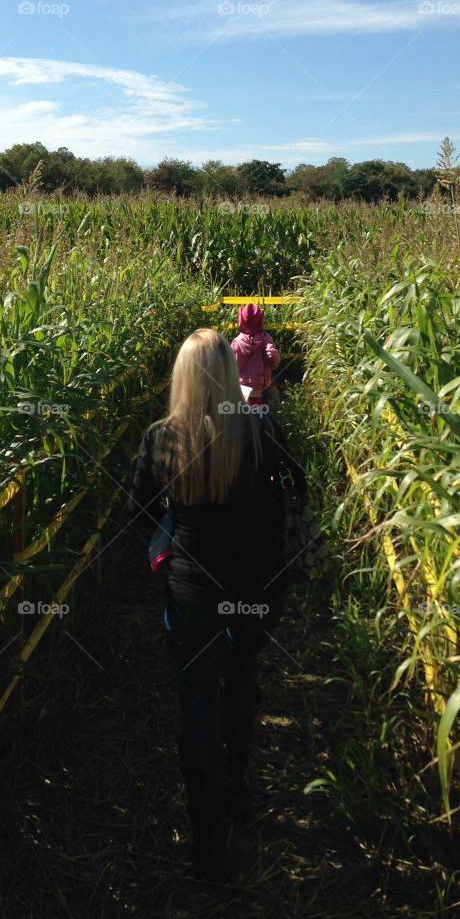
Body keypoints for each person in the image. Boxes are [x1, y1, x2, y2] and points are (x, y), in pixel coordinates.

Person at [126, 328, 306, 884]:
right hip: (254, 592)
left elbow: (137, 516)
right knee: (241, 674)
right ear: (229, 377)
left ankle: (208, 852)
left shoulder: (162, 439)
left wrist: (172, 534)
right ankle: (236, 788)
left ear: (181, 378)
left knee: (196, 710)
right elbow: (294, 491)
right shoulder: (258, 432)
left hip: (193, 595)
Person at [230, 302, 281, 409]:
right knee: (261, 416)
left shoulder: (236, 341)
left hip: (241, 389)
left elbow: (231, 366)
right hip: (260, 388)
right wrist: (273, 364)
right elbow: (272, 355)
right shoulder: (265, 339)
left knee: (244, 416)